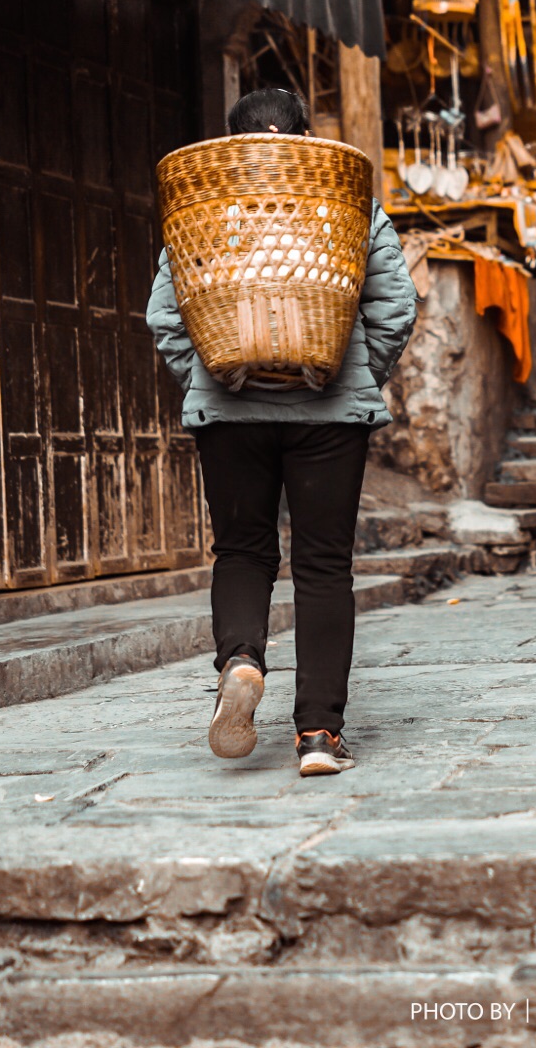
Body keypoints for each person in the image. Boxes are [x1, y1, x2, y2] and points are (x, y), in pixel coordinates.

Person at [145, 89, 417, 777]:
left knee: (242, 551)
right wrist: (352, 374)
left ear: (234, 143)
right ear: (305, 140)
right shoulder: (350, 207)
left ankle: (240, 659)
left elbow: (166, 317)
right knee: (324, 566)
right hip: (328, 414)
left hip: (231, 416)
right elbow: (395, 306)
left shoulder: (205, 212)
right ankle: (319, 736)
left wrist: (215, 378)